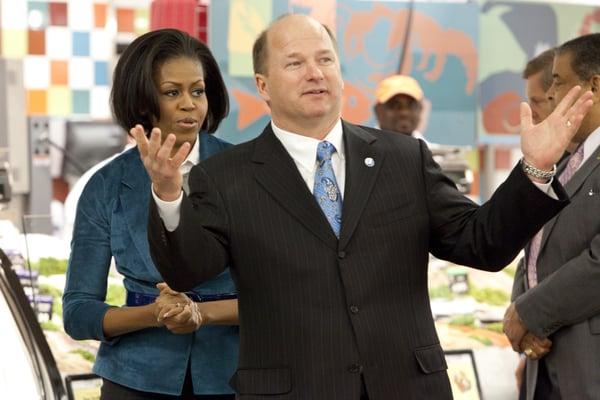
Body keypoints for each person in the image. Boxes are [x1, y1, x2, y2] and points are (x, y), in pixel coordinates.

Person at [137, 14, 592, 399]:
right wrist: (167, 194)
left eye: (325, 60)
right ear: (263, 85)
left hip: (408, 386)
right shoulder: (227, 176)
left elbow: (481, 245)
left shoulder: (404, 158)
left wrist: (534, 168)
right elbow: (188, 270)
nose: (315, 73)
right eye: (295, 63)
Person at [62, 29, 238, 399]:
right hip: (134, 381)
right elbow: (78, 313)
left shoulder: (247, 171)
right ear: (143, 102)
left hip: (234, 377)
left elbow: (281, 298)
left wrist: (201, 313)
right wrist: (155, 314)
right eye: (172, 92)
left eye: (198, 90)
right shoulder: (106, 186)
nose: (190, 104)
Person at [503, 33, 600, 400]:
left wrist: (528, 314)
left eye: (557, 82)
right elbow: (535, 248)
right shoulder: (564, 160)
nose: (549, 95)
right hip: (544, 362)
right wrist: (520, 314)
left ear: (594, 84)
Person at [373, 74, 426, 139]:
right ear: (378, 110)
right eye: (395, 105)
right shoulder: (362, 148)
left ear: (421, 109)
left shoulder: (430, 149)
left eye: (411, 106)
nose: (404, 113)